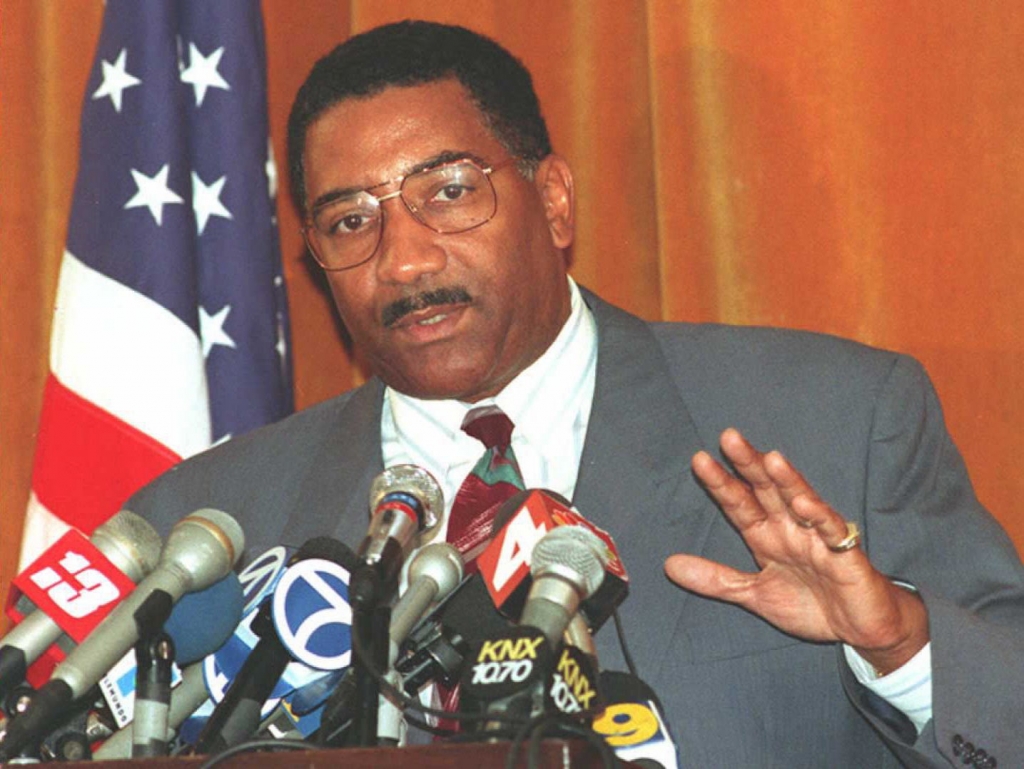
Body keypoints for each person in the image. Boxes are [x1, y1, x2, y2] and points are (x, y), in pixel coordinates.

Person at [130, 20, 1024, 767]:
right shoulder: (211, 527)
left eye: (448, 192)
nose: (402, 259)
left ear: (554, 201)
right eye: (351, 221)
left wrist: (899, 644)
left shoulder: (837, 421)